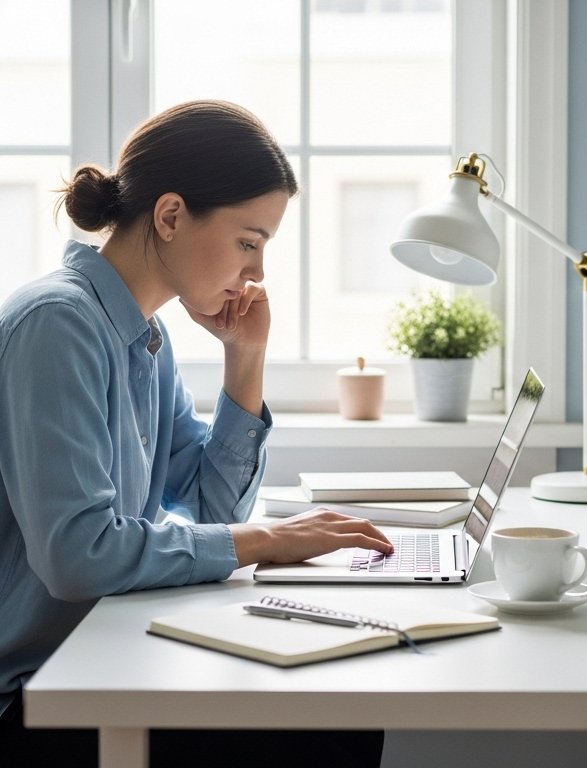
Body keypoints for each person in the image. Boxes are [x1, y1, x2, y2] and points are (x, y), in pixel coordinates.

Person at [0, 100, 393, 767]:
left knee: (343, 704)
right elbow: (78, 555)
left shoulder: (144, 338)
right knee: (336, 724)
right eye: (249, 242)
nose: (257, 273)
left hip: (104, 656)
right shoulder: (57, 326)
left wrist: (246, 360)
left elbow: (212, 514)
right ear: (171, 215)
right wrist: (268, 538)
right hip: (37, 694)